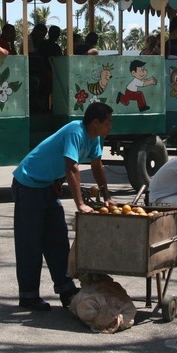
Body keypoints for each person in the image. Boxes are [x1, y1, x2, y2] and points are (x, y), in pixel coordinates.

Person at [12, 102, 116, 311]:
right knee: (30, 243)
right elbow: (72, 168)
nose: (111, 127)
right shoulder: (75, 131)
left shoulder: (94, 138)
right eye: (109, 122)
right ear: (96, 122)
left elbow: (97, 166)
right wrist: (80, 204)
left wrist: (107, 196)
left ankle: (66, 289)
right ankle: (28, 296)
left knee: (58, 239)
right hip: (28, 185)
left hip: (48, 187)